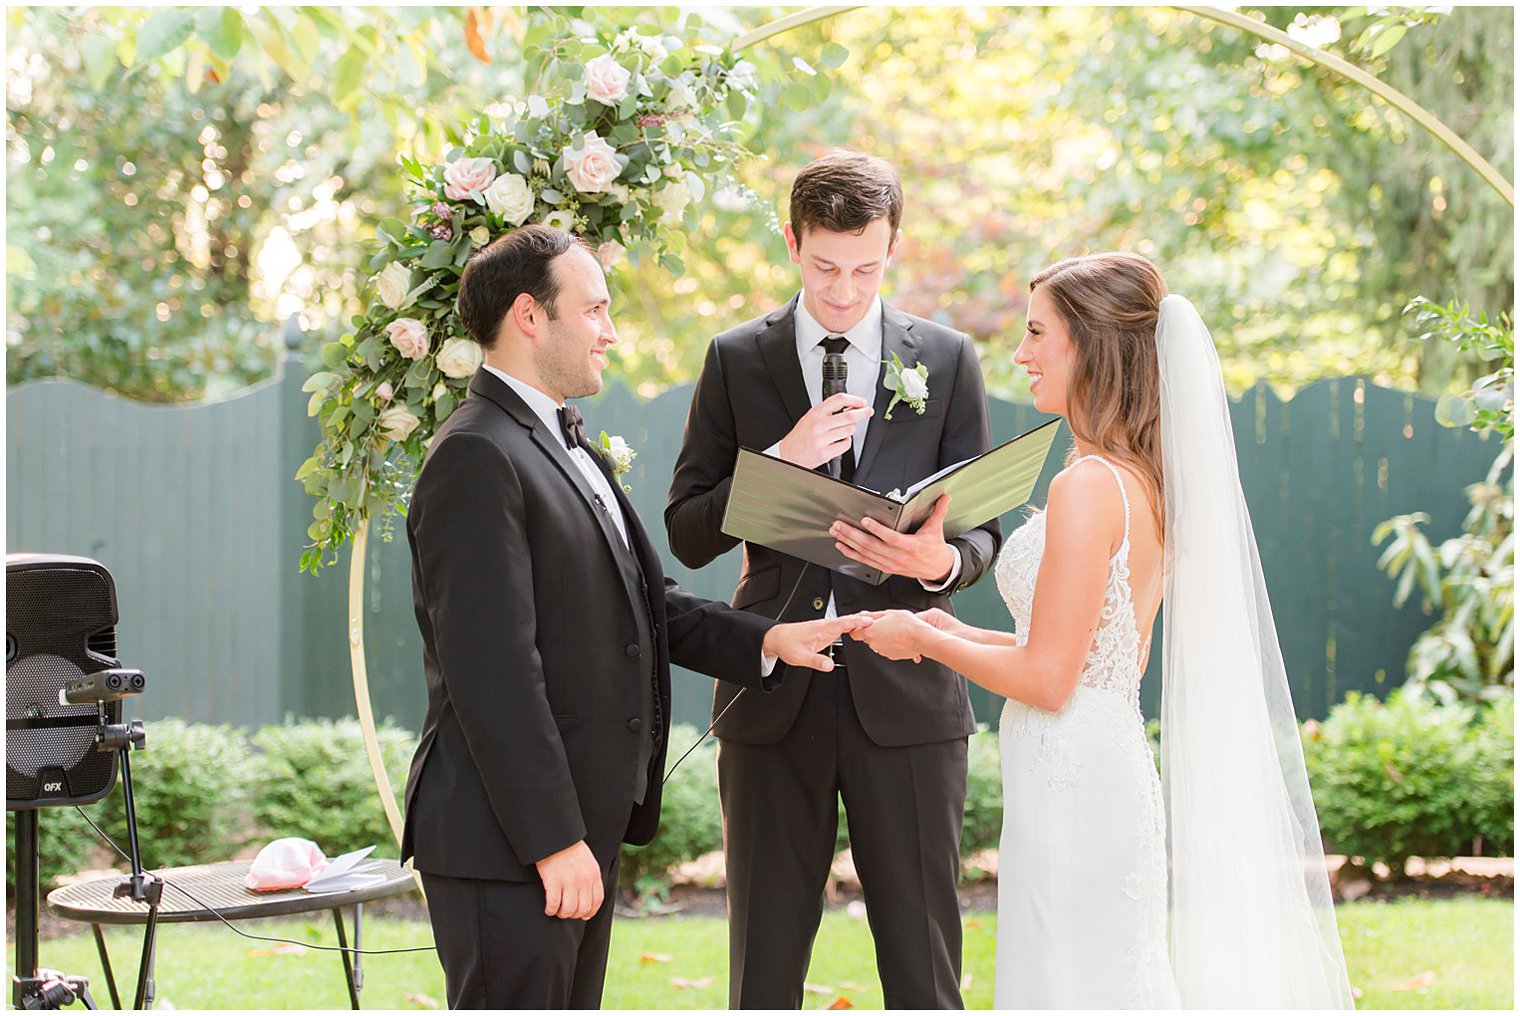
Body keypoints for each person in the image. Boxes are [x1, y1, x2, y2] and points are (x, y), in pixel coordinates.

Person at [851, 252, 1354, 1008]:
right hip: (1092, 759)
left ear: (1090, 345)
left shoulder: (1087, 486)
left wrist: (926, 641)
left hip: (1073, 781)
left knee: (1071, 981)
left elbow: (1049, 681)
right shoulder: (1138, 479)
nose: (1019, 355)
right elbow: (1076, 659)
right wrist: (927, 616)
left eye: (1036, 334)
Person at [400, 224, 867, 1009]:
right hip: (511, 840)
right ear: (528, 316)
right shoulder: (475, 455)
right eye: (594, 310)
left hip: (574, 829)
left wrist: (767, 640)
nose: (610, 332)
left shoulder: (557, 441)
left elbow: (642, 604)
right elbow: (494, 674)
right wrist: (552, 840)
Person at [665, 150, 1000, 1009]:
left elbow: (983, 528)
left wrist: (945, 561)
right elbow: (686, 531)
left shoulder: (951, 358)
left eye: (866, 268)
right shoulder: (737, 359)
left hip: (913, 691)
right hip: (774, 693)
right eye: (825, 266)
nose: (845, 289)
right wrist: (778, 460)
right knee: (763, 970)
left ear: (893, 247)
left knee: (925, 969)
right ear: (791, 242)